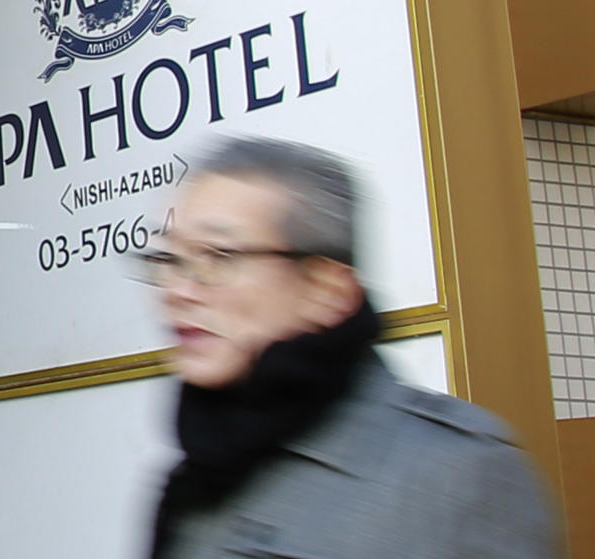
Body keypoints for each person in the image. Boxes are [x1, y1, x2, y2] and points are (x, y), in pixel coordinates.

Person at [142, 136, 563, 559]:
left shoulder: (457, 477)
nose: (178, 290)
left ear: (326, 289)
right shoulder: (197, 478)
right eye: (169, 259)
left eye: (219, 256)